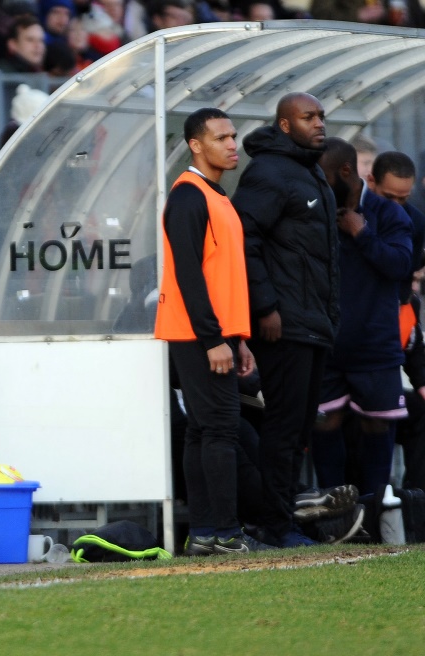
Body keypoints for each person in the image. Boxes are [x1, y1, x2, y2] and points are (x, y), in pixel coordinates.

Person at [153, 107, 270, 555]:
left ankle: (206, 533)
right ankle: (222, 532)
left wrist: (237, 338)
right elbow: (187, 274)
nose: (231, 144)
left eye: (234, 136)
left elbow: (222, 276)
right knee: (219, 430)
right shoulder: (187, 196)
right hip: (197, 335)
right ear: (195, 145)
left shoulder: (215, 195)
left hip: (216, 335)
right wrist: (212, 339)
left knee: (206, 431)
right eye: (221, 137)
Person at [230, 92, 340, 548]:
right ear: (283, 124)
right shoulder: (269, 172)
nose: (319, 124)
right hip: (285, 323)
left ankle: (286, 518)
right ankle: (276, 526)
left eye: (321, 117)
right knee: (282, 427)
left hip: (313, 322)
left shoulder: (308, 170)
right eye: (308, 117)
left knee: (297, 429)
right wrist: (266, 307)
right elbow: (244, 239)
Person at [311, 139, 412, 495]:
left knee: (376, 426)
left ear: (345, 173)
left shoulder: (387, 214)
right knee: (325, 423)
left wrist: (362, 233)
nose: (316, 183)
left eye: (321, 176)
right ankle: (332, 513)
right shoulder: (315, 211)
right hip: (327, 345)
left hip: (375, 346)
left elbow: (400, 265)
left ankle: (374, 510)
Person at [367, 151, 425, 489]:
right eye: (390, 198)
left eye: (404, 198)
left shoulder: (414, 221)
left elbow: (413, 339)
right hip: (356, 362)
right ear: (371, 182)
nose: (397, 207)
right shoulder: (354, 217)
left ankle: (415, 504)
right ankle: (367, 505)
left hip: (388, 355)